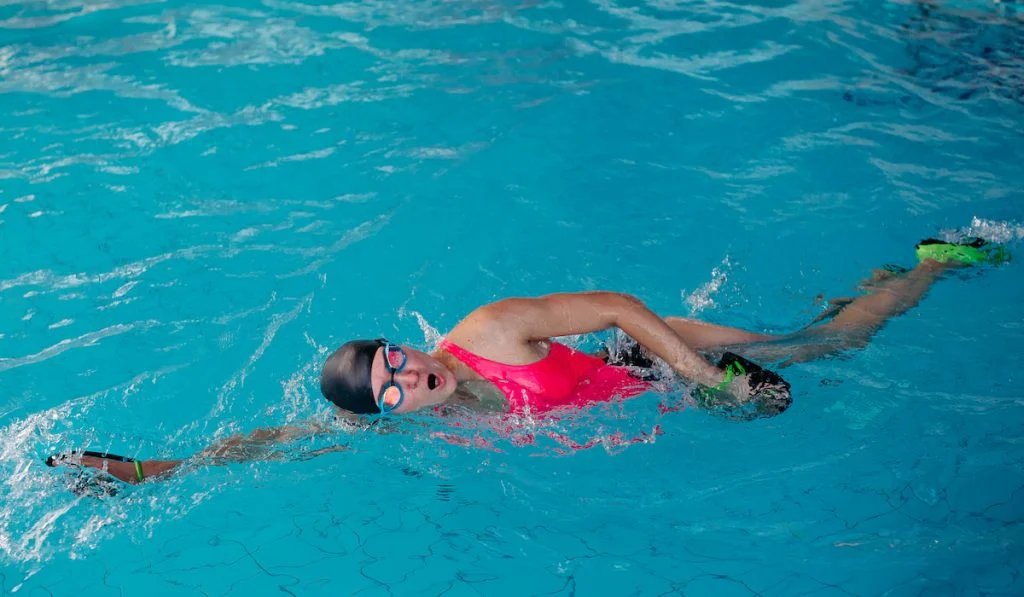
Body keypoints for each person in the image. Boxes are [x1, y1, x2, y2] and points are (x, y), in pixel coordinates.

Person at [45, 238, 1008, 489]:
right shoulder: (435, 418)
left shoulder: (490, 330)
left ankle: (924, 266)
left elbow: (618, 305)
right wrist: (154, 471)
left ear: (409, 343)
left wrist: (697, 372)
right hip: (656, 398)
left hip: (655, 352)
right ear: (390, 413)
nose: (408, 376)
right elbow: (273, 443)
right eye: (390, 391)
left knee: (830, 345)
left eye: (397, 358)